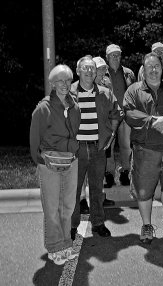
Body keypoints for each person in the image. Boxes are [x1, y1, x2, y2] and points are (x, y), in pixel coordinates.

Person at [124, 52, 163, 244]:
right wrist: (152, 121)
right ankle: (146, 225)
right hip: (145, 151)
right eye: (149, 66)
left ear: (162, 68)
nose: (153, 70)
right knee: (144, 190)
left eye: (157, 66)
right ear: (143, 70)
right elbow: (128, 112)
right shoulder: (134, 91)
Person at [29, 64, 80, 265]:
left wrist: (74, 149)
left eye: (68, 80)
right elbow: (34, 139)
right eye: (60, 80)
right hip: (49, 163)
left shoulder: (74, 106)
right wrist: (40, 161)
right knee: (51, 207)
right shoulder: (43, 108)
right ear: (52, 83)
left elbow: (76, 132)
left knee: (68, 206)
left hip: (71, 161)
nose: (65, 84)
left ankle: (66, 244)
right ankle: (54, 247)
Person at [70, 56, 123, 240]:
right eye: (85, 68)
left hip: (98, 148)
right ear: (78, 71)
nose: (89, 71)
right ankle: (71, 226)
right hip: (75, 150)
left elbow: (117, 113)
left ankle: (98, 223)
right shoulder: (69, 93)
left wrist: (113, 134)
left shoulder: (105, 93)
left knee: (96, 188)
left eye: (92, 68)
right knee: (73, 190)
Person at [105, 44, 136, 186]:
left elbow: (135, 92)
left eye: (118, 55)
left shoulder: (128, 73)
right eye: (113, 55)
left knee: (126, 146)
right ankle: (109, 174)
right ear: (107, 57)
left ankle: (125, 172)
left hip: (125, 115)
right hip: (109, 116)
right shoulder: (101, 72)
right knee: (109, 147)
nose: (116, 58)